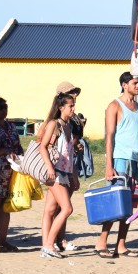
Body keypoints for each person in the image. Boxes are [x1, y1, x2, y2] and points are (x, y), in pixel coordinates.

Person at [95, 73, 138, 258]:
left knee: (130, 206)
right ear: (125, 85)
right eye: (135, 83)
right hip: (120, 161)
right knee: (115, 204)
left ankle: (121, 245)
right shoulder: (114, 106)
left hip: (136, 162)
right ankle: (101, 243)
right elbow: (109, 136)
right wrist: (109, 165)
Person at [38, 93, 78, 258]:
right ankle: (48, 244)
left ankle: (46, 246)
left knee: (51, 209)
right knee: (67, 208)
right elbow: (43, 147)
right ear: (61, 107)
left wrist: (73, 174)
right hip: (55, 172)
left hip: (64, 172)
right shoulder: (54, 124)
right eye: (70, 105)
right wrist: (49, 167)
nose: (73, 108)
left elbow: (69, 153)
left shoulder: (68, 125)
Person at [51, 81, 84, 253]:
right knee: (57, 208)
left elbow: (72, 140)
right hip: (57, 167)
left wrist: (78, 145)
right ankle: (51, 242)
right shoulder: (55, 120)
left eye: (75, 93)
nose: (75, 96)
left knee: (62, 206)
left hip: (68, 164)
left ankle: (58, 240)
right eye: (71, 93)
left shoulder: (73, 118)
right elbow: (46, 143)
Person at [0, 96, 23, 252]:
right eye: (0, 107)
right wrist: (4, 150)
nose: (3, 110)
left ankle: (2, 240)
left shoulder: (12, 127)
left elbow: (18, 146)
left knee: (5, 206)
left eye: (5, 107)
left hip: (11, 172)